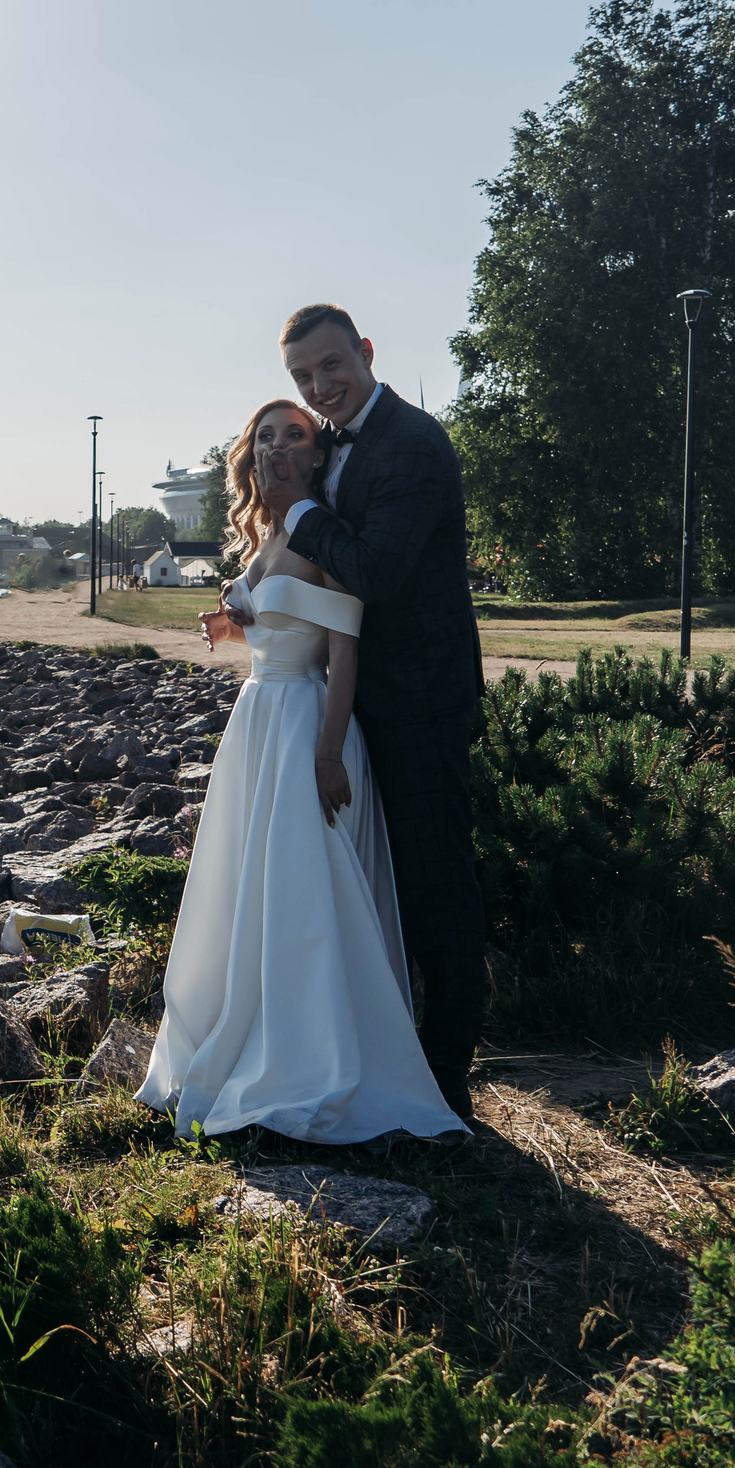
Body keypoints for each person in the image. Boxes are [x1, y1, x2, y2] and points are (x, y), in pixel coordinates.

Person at [137, 397, 466, 1143]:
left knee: (302, 892)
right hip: (257, 723)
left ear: (318, 454)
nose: (277, 448)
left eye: (295, 436)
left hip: (304, 725)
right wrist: (233, 615)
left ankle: (311, 1056)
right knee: (251, 889)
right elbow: (274, 607)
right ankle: (247, 1032)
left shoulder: (327, 532)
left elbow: (342, 649)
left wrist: (326, 752)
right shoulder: (271, 529)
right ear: (248, 454)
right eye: (265, 437)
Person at [238, 303, 488, 1120]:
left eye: (330, 366)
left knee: (435, 886)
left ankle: (445, 1080)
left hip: (417, 703)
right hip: (346, 707)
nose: (319, 386)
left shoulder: (413, 443)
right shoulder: (330, 448)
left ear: (366, 351)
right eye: (303, 376)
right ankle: (370, 1043)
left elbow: (374, 572)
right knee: (359, 884)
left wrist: (300, 515)